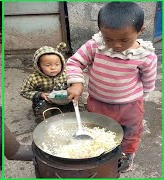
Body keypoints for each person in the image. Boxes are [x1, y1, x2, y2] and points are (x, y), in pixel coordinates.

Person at [66, 2, 157, 173]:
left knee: (130, 132)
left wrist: (139, 97)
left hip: (130, 105)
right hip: (98, 102)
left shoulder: (145, 56)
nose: (116, 45)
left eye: (124, 40)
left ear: (140, 31)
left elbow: (148, 82)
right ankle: (99, 153)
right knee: (98, 129)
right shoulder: (95, 45)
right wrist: (77, 83)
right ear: (101, 31)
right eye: (109, 39)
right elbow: (75, 62)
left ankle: (127, 155)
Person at [20, 43, 75, 123]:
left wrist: (72, 87)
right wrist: (40, 94)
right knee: (43, 108)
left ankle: (74, 118)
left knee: (75, 100)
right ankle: (44, 123)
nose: (53, 68)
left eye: (57, 64)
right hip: (46, 100)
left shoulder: (66, 74)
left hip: (63, 99)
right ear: (39, 66)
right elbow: (24, 91)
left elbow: (74, 82)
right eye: (47, 65)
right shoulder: (34, 78)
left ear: (62, 63)